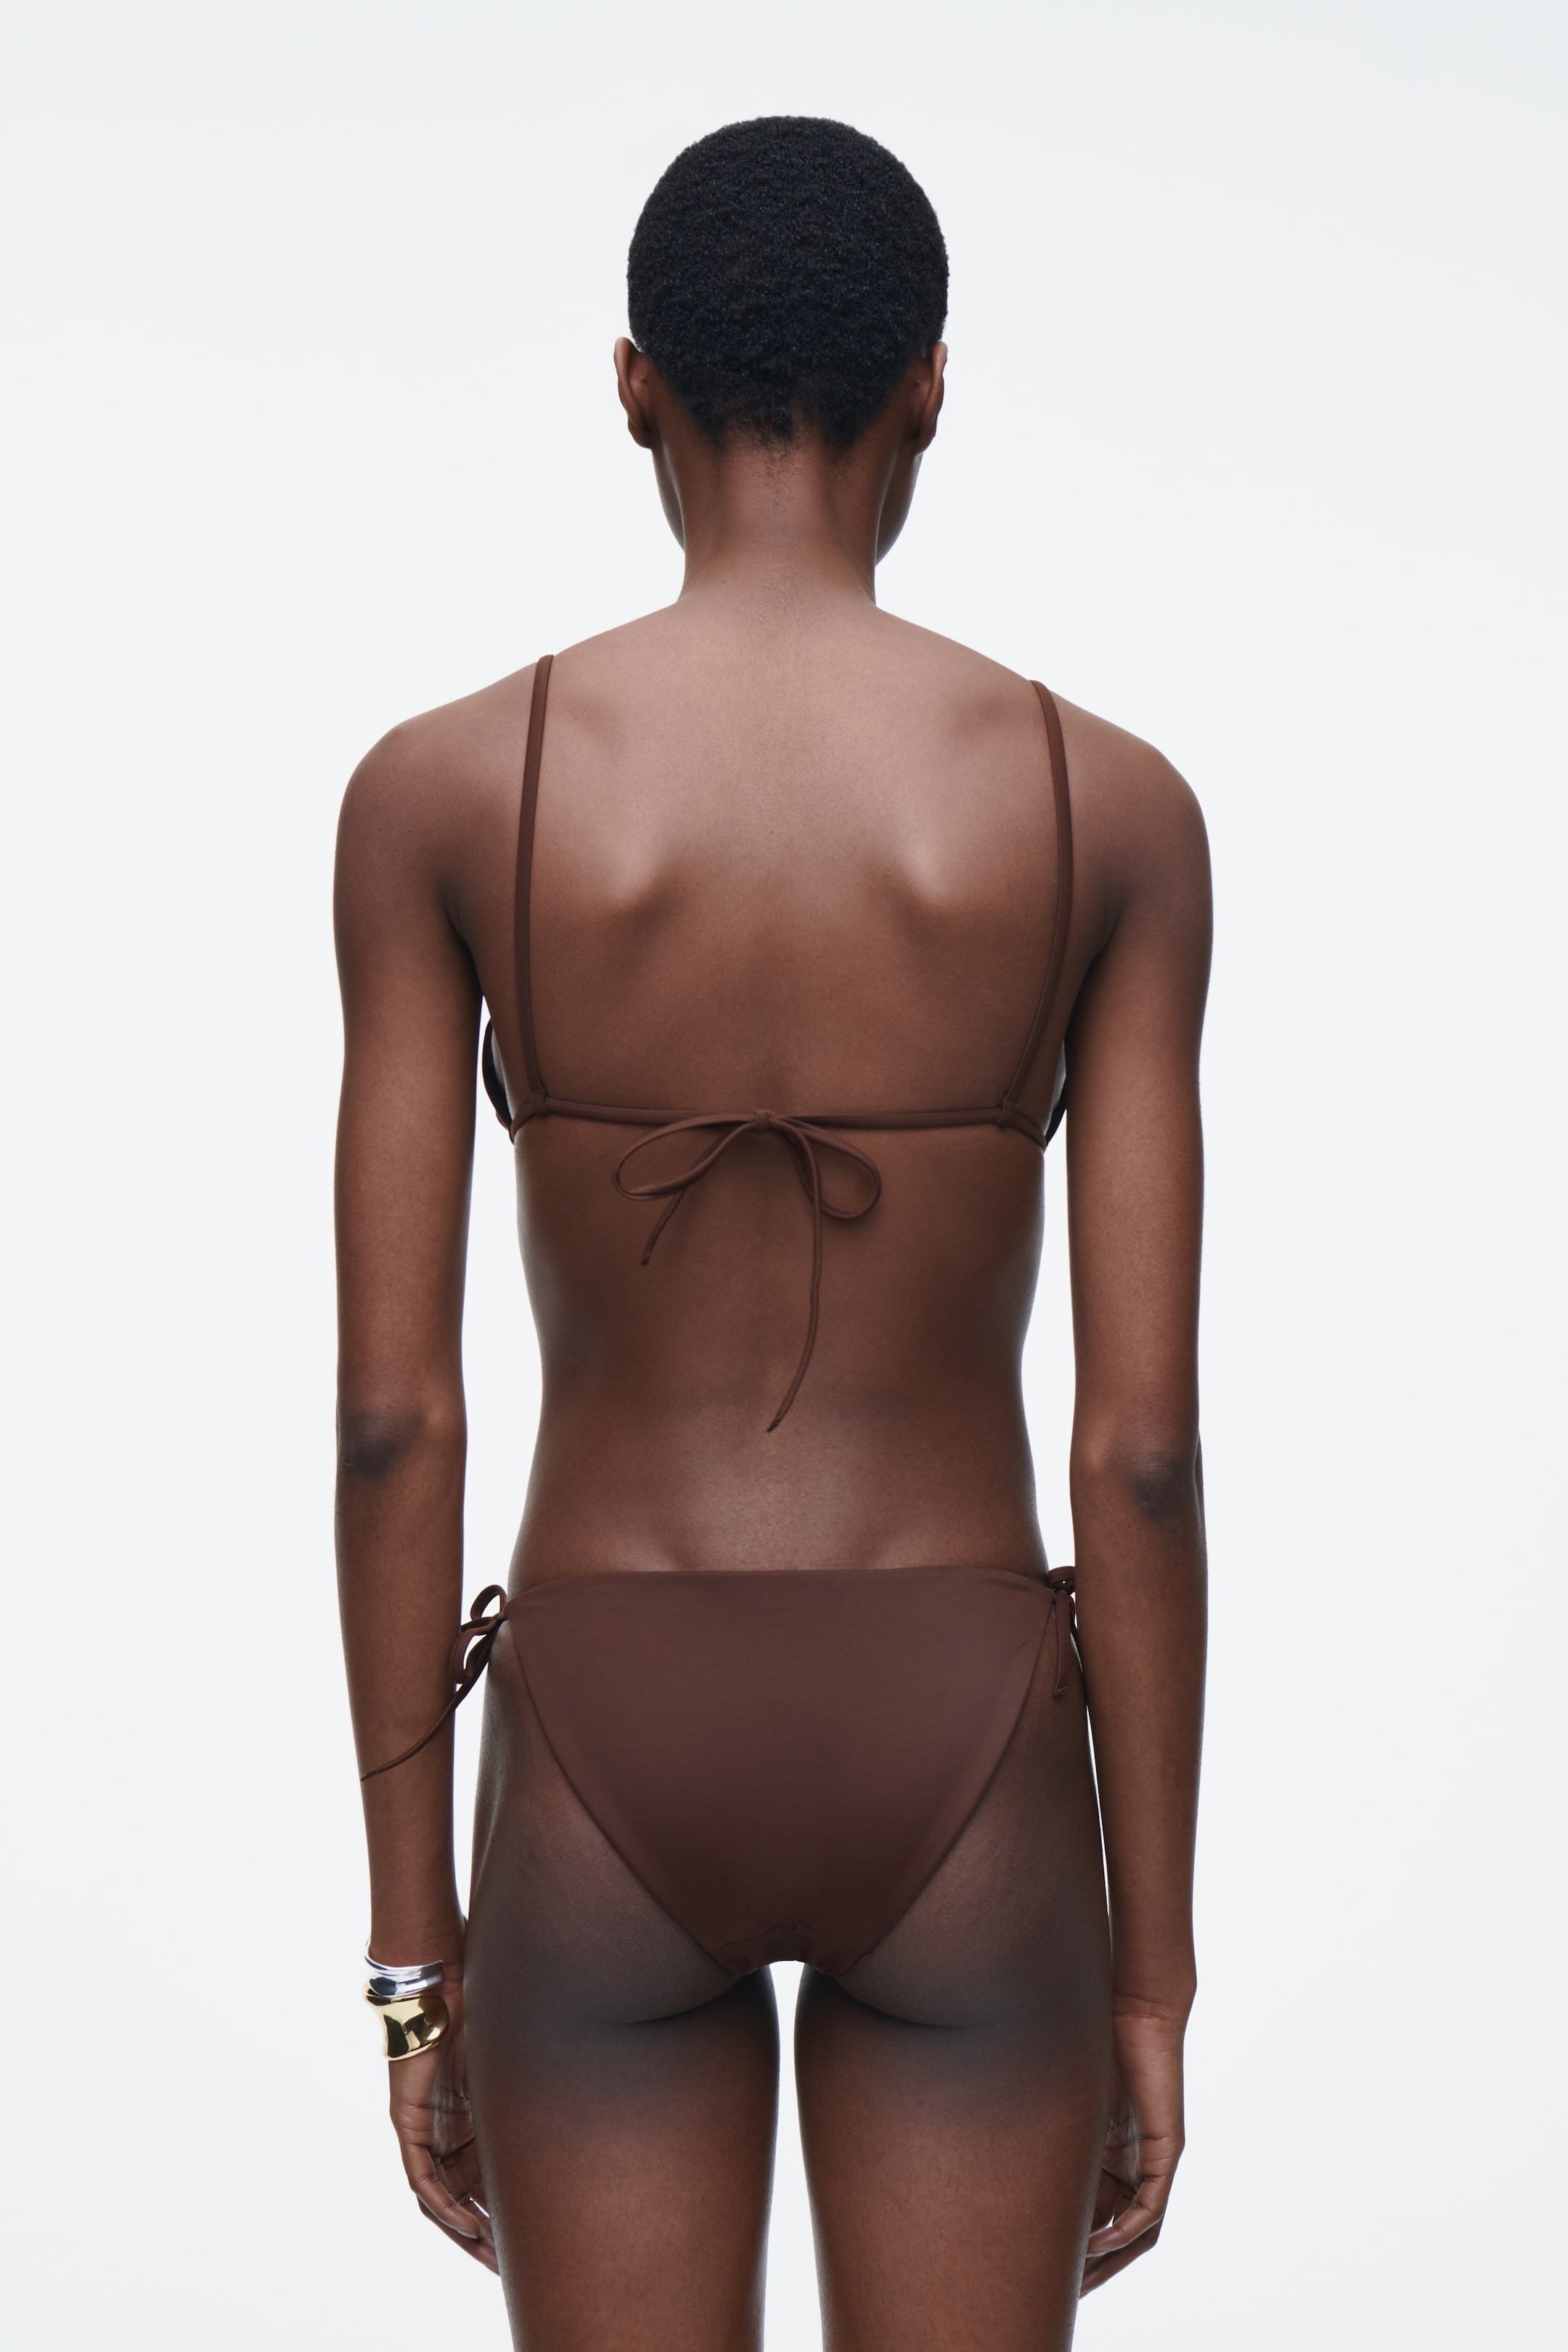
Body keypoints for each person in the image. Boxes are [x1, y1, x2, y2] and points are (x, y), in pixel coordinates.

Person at [334, 114, 1209, 2351]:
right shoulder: (1107, 809)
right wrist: (1152, 1977)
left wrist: (415, 1958)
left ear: (635, 386)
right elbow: (1138, 1457)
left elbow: (391, 1417)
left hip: (609, 1710)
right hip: (966, 1721)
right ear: (933, 385)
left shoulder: (449, 790)